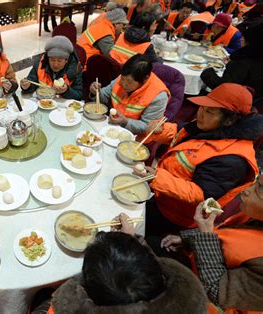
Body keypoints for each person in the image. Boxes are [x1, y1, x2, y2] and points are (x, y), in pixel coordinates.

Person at [138, 83, 261, 237]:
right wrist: (160, 130)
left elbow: (201, 195)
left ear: (229, 120)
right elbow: (182, 132)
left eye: (209, 111)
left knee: (142, 232)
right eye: (202, 107)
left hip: (177, 215)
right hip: (163, 195)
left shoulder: (232, 160)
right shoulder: (209, 127)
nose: (200, 114)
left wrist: (157, 177)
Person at [30, 214, 208, 313]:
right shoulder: (195, 303)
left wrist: (54, 300)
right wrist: (128, 242)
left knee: (41, 295)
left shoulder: (72, 306)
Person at [160, 173, 263, 312]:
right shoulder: (254, 213)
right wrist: (188, 239)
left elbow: (216, 292)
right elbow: (228, 235)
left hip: (195, 300)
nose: (246, 190)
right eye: (257, 182)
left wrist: (205, 234)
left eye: (260, 189)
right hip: (194, 264)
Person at [90, 54, 169, 134]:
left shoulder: (158, 96)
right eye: (122, 78)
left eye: (129, 82)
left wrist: (125, 122)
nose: (123, 84)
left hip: (134, 137)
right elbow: (104, 96)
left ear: (145, 79)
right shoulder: (125, 77)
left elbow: (148, 126)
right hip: (111, 127)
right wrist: (96, 92)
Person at [201, 16, 263, 101]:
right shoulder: (254, 57)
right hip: (253, 101)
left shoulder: (242, 60)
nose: (241, 39)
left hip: (233, 103)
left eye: (244, 37)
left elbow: (223, 87)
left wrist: (207, 71)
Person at [20, 36, 83, 100]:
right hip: (42, 103)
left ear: (66, 60)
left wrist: (66, 91)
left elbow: (79, 95)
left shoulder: (75, 69)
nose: (55, 64)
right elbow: (31, 82)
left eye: (59, 61)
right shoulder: (40, 65)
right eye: (52, 60)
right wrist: (26, 87)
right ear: (48, 58)